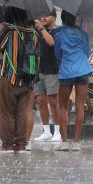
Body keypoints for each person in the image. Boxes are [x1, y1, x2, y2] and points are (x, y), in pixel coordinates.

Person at [0, 7, 39, 154]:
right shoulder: (34, 33)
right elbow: (37, 56)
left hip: (10, 76)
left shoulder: (9, 30)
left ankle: (7, 145)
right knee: (21, 112)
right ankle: (21, 144)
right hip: (27, 79)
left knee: (6, 112)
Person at [54, 11, 92, 152]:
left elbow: (58, 54)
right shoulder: (83, 33)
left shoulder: (59, 35)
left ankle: (64, 142)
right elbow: (87, 52)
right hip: (83, 70)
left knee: (62, 106)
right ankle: (76, 143)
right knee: (80, 106)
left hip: (67, 72)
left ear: (62, 19)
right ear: (75, 19)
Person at [31, 12, 61, 143]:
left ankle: (58, 132)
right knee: (41, 101)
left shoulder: (56, 32)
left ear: (53, 18)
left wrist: (42, 29)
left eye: (47, 15)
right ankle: (46, 131)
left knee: (53, 102)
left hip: (52, 71)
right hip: (40, 71)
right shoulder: (37, 33)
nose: (43, 17)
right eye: (41, 15)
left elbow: (52, 43)